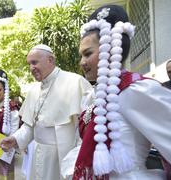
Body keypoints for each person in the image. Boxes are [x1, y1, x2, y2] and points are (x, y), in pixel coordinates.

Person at [61, 5, 171, 179]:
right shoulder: (92, 95)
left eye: (87, 53)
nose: (82, 62)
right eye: (81, 55)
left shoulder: (135, 90)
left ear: (110, 49)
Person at [0, 44, 92, 179]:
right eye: (29, 64)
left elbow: (84, 131)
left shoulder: (75, 82)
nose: (31, 68)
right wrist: (15, 139)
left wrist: (77, 163)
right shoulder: (34, 90)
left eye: (34, 62)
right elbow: (29, 127)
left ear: (50, 60)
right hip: (37, 155)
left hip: (62, 156)